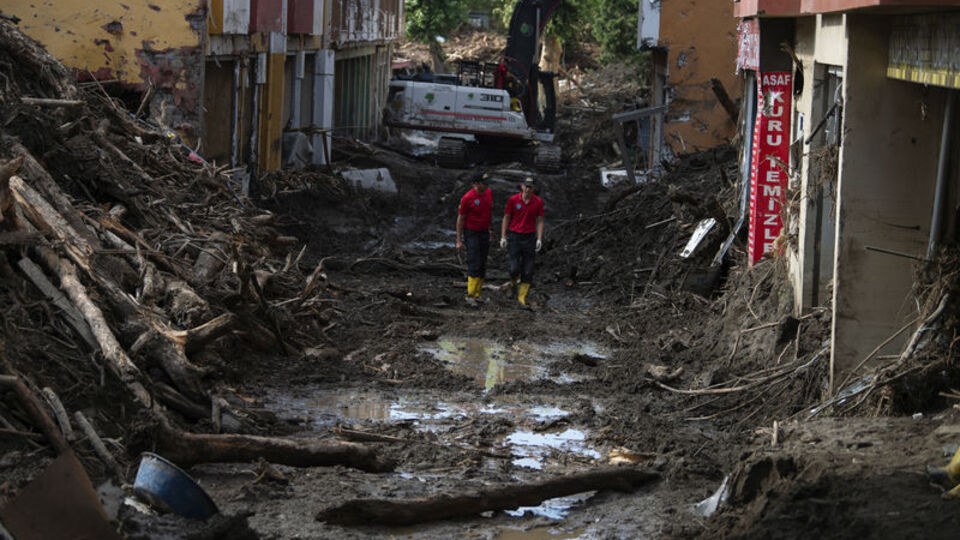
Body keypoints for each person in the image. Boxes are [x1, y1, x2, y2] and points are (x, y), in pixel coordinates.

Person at [500, 176, 544, 306]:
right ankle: (512, 284)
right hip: (515, 236)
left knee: (528, 269)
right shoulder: (513, 200)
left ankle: (522, 297)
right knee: (514, 268)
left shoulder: (538, 202)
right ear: (522, 186)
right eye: (526, 186)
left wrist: (539, 238)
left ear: (534, 188)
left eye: (530, 187)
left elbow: (540, 220)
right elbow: (506, 217)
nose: (528, 189)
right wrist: (503, 236)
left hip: (529, 237)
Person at [456, 171, 493, 306]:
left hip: (484, 232)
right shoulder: (467, 198)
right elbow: (460, 219)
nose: (487, 186)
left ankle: (478, 294)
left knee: (482, 262)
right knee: (474, 261)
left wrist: (489, 229)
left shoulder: (488, 193)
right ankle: (470, 295)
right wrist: (459, 240)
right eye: (484, 184)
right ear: (476, 184)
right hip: (471, 232)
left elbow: (488, 212)